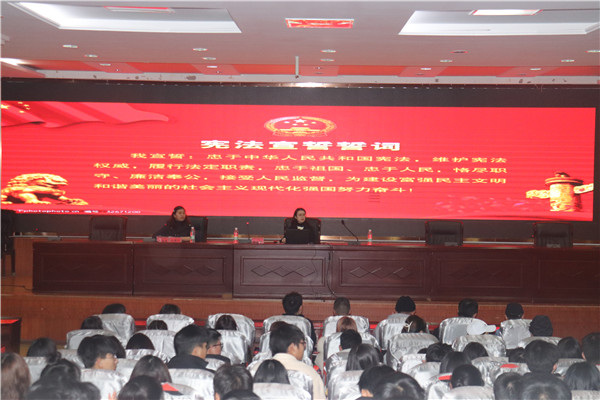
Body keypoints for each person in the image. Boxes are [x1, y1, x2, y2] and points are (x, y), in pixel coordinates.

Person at [259, 322, 326, 400]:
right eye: (303, 343)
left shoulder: (255, 369)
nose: (304, 347)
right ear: (292, 347)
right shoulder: (309, 373)